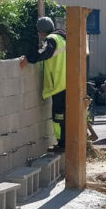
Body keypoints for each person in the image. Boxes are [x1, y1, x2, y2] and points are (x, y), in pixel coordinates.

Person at [19, 16, 67, 151]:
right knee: (65, 115)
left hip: (59, 84)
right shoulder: (63, 38)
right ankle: (65, 143)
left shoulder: (51, 39)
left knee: (59, 117)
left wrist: (28, 58)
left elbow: (44, 51)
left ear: (41, 31)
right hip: (67, 82)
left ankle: (63, 144)